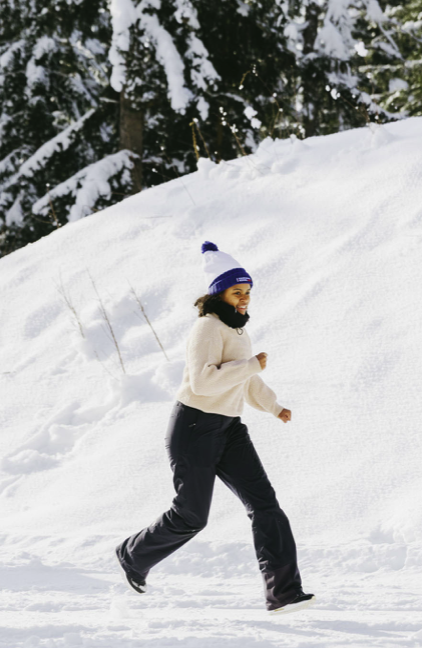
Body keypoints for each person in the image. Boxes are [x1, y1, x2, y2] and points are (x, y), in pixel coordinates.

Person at [116, 241, 313, 614]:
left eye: (248, 293)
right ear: (218, 294)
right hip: (194, 425)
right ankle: (132, 555)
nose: (244, 299)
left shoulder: (237, 331)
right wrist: (251, 366)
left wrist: (274, 407)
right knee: (192, 515)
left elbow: (243, 381)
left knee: (265, 505)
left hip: (229, 427)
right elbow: (204, 382)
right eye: (237, 292)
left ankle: (284, 592)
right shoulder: (207, 328)